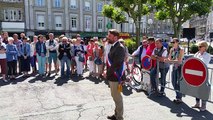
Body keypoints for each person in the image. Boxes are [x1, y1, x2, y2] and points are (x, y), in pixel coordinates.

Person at [106, 29, 125, 120]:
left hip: (116, 76)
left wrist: (108, 72)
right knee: (115, 96)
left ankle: (119, 117)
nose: (107, 37)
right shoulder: (114, 46)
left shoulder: (120, 47)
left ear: (115, 37)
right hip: (112, 75)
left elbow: (117, 63)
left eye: (109, 36)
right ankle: (116, 114)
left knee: (117, 97)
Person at [192, 41, 211, 111]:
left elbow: (203, 63)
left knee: (203, 90)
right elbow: (193, 61)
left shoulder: (207, 55)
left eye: (200, 46)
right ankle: (197, 103)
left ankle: (203, 105)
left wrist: (197, 60)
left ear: (205, 47)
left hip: (203, 75)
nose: (198, 48)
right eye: (198, 46)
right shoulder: (197, 54)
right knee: (196, 89)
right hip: (196, 74)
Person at [165, 38, 184, 104]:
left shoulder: (181, 50)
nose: (172, 43)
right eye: (172, 42)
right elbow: (169, 57)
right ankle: (178, 96)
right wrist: (166, 59)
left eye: (174, 42)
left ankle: (179, 97)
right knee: (173, 82)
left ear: (177, 42)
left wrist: (169, 61)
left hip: (180, 67)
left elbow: (179, 60)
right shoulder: (171, 49)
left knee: (179, 83)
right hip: (174, 67)